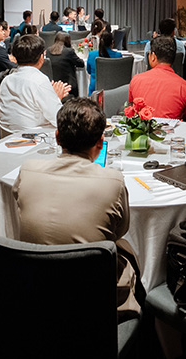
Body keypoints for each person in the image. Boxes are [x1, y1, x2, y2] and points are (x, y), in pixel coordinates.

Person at [13, 98, 142, 320]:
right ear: (101, 142)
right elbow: (120, 231)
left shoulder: (27, 170)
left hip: (35, 284)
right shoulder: (113, 181)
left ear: (56, 137)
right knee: (128, 252)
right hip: (92, 295)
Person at [0, 35, 70, 135]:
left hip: (6, 138)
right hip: (32, 140)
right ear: (41, 57)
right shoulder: (39, 80)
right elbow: (58, 119)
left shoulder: (6, 80)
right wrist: (57, 97)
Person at [128, 35, 186, 122]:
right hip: (174, 133)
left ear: (153, 56)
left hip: (142, 134)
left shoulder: (136, 81)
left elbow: (131, 115)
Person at [86, 31, 121, 95]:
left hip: (95, 91)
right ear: (112, 42)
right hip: (113, 90)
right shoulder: (118, 56)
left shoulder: (91, 54)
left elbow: (89, 71)